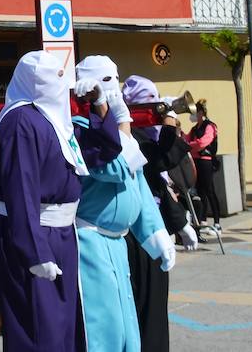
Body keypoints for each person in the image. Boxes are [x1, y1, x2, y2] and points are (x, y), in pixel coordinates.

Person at [72, 56, 175, 352]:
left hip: (117, 242)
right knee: (104, 327)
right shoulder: (79, 129)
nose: (112, 89)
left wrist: (155, 233)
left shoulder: (115, 131)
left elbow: (137, 182)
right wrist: (117, 120)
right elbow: (114, 167)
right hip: (91, 240)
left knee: (128, 326)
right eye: (103, 82)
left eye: (114, 80)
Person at [0, 51, 90, 351]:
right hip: (38, 237)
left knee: (62, 327)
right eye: (54, 76)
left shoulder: (51, 120)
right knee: (38, 330)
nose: (61, 82)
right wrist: (34, 251)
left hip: (60, 234)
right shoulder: (22, 121)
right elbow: (21, 188)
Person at [121, 75, 193, 351]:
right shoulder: (129, 135)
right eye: (148, 102)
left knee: (154, 302)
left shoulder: (144, 134)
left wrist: (179, 222)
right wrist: (168, 124)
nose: (155, 106)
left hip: (152, 227)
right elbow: (161, 158)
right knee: (143, 303)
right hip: (135, 234)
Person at [184, 100, 222, 234]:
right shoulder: (194, 129)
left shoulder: (210, 126)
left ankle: (217, 222)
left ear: (200, 113)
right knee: (200, 192)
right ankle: (203, 221)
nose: (192, 116)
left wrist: (190, 145)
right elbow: (187, 139)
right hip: (195, 161)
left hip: (206, 161)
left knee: (209, 190)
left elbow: (203, 143)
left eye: (194, 113)